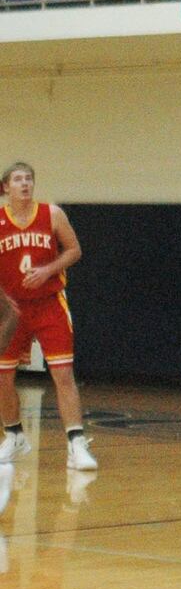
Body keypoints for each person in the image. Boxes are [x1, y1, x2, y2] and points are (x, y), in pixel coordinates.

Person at [0, 163, 96, 471]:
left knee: (63, 375)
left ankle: (76, 443)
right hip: (12, 309)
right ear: (6, 188)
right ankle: (14, 435)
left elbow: (74, 250)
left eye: (29, 179)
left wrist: (48, 270)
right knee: (2, 377)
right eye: (18, 179)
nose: (25, 184)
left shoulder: (52, 214)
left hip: (49, 303)